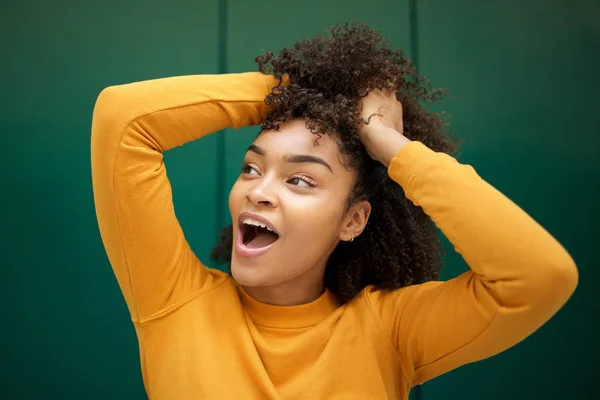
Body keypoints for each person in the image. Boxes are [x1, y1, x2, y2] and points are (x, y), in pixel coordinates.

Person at [91, 23, 578, 399]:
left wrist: (390, 145)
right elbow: (123, 119)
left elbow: (539, 277)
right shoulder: (175, 301)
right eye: (251, 168)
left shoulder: (390, 331)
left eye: (300, 179)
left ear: (354, 220)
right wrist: (306, 92)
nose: (259, 191)